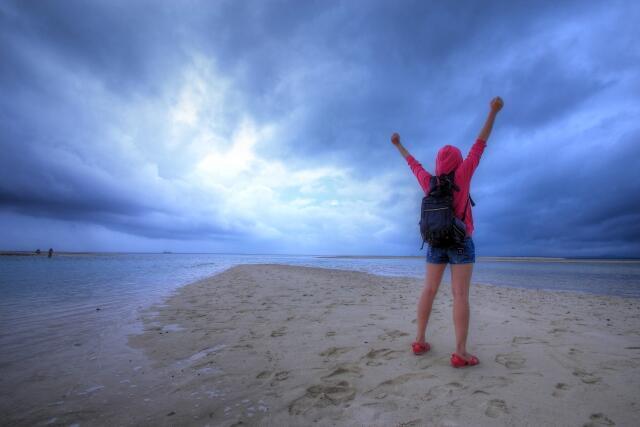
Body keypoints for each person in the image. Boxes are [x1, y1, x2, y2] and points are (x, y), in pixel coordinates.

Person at [391, 96, 504, 368]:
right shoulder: (463, 174)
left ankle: (419, 340)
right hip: (461, 242)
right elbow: (480, 144)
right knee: (460, 296)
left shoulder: (429, 181)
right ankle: (460, 353)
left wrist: (398, 144)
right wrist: (493, 112)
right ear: (457, 161)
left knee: (428, 290)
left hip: (435, 241)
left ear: (439, 163)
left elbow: (413, 163)